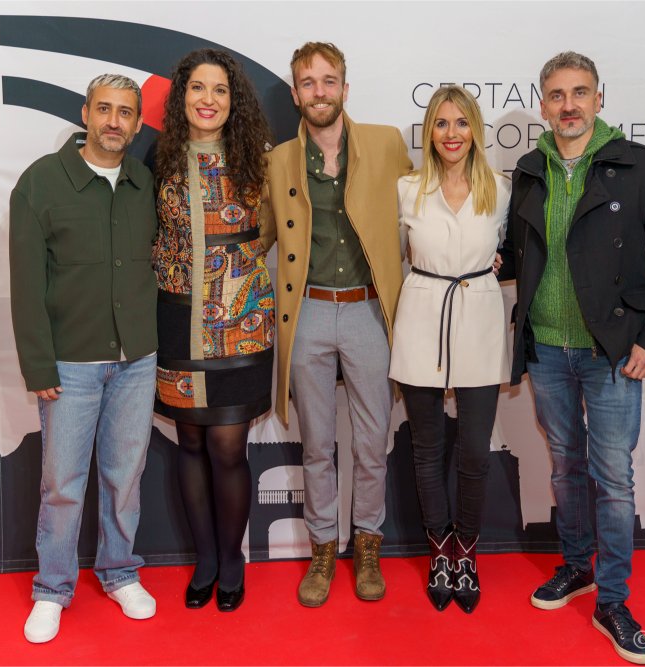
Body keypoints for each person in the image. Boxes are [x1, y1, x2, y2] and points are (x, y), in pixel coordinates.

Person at [499, 52, 645, 664]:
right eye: (557, 95)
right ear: (544, 105)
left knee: (613, 478)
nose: (569, 105)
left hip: (612, 352)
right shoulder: (530, 169)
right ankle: (577, 566)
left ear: (599, 98)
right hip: (547, 348)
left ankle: (613, 600)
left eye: (580, 92)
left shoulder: (637, 164)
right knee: (564, 466)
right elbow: (515, 252)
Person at [9, 74, 159, 643]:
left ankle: (120, 572)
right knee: (63, 483)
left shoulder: (143, 182)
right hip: (70, 363)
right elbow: (26, 284)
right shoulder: (41, 182)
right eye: (104, 109)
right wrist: (38, 365)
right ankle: (52, 588)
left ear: (137, 124)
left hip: (136, 360)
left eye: (125, 112)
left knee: (125, 477)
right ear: (85, 114)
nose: (114, 121)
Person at [265, 42, 412, 607]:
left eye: (329, 81)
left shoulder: (386, 143)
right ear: (295, 93)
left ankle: (368, 544)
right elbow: (259, 234)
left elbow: (421, 210)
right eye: (308, 82)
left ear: (345, 89)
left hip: (369, 309)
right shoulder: (279, 160)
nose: (319, 91)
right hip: (307, 311)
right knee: (317, 446)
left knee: (372, 442)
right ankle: (323, 548)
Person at [151, 49, 275, 613]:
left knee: (228, 446)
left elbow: (274, 230)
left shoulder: (258, 160)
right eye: (197, 88)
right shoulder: (160, 158)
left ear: (233, 100)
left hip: (241, 324)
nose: (208, 99)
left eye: (219, 90)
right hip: (177, 321)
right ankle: (204, 560)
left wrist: (240, 277)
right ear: (182, 97)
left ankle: (231, 559)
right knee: (191, 442)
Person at [389, 86, 510, 614]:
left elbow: (514, 250)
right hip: (422, 313)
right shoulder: (406, 189)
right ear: (429, 133)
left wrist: (498, 262)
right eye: (441, 123)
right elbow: (392, 252)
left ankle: (467, 551)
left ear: (475, 129)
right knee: (427, 448)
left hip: (480, 316)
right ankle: (440, 550)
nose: (452, 133)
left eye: (461, 123)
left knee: (476, 453)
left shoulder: (500, 189)